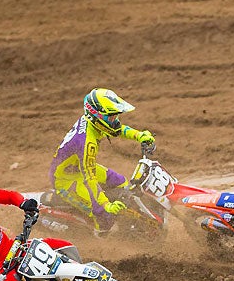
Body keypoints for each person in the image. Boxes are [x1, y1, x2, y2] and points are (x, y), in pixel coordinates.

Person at [49, 88, 156, 233]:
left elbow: (117, 130)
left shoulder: (93, 122)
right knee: (105, 216)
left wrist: (139, 135)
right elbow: (90, 178)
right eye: (111, 117)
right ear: (97, 115)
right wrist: (106, 205)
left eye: (115, 116)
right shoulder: (87, 142)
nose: (115, 120)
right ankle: (101, 237)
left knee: (124, 184)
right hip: (66, 180)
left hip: (80, 167)